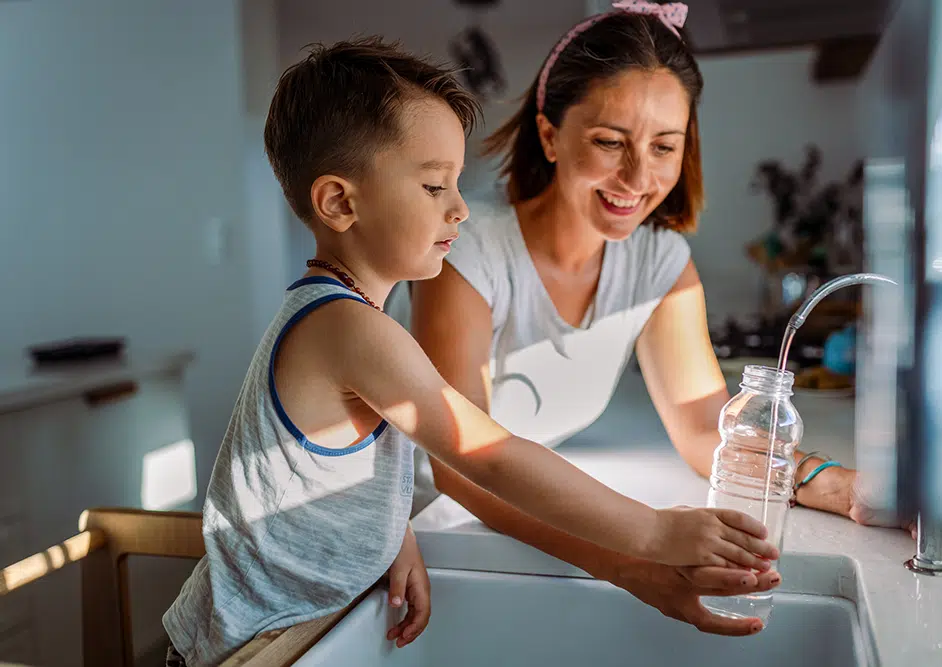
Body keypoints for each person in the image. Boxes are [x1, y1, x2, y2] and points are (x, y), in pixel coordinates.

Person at [161, 36, 781, 667]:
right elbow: (488, 453)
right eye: (434, 186)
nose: (460, 208)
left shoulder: (347, 317)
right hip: (255, 648)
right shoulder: (351, 329)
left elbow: (325, 467)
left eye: (456, 183)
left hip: (303, 628)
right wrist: (652, 532)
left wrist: (389, 534)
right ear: (340, 203)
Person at [409, 0, 942, 636]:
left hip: (519, 522)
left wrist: (841, 486)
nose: (638, 175)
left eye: (664, 146)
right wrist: (632, 560)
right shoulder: (467, 251)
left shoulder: (659, 261)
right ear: (549, 135)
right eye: (609, 142)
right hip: (421, 534)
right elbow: (462, 463)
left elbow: (705, 429)